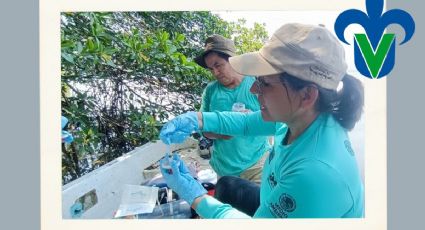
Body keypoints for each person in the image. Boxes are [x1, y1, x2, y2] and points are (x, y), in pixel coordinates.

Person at [159, 23, 364, 218]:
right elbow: (246, 123)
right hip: (272, 196)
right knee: (227, 185)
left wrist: (196, 198)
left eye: (264, 83)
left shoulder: (314, 173)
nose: (253, 89)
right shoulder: (297, 118)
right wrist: (197, 119)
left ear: (306, 95)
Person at [193, 34, 270, 182]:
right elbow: (204, 129)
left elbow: (274, 120)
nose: (215, 73)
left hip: (257, 165)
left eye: (218, 65)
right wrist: (222, 134)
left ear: (232, 61)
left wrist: (250, 121)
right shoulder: (210, 91)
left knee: (258, 203)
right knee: (226, 206)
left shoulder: (255, 84)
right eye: (210, 69)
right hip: (224, 169)